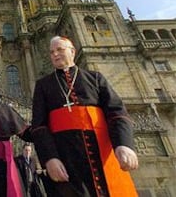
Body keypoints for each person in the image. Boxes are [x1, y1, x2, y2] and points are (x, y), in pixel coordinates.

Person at [30, 36, 139, 196]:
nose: (55, 54)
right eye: (52, 52)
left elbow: (116, 113)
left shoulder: (95, 78)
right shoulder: (43, 85)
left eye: (60, 49)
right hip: (66, 158)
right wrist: (50, 158)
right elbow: (39, 126)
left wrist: (124, 144)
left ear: (72, 51)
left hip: (103, 151)